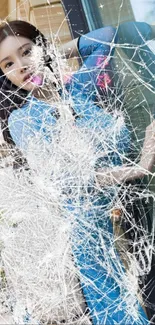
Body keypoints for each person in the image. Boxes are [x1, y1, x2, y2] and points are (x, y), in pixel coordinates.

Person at [0, 20, 154, 324]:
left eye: (27, 51)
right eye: (8, 63)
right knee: (122, 314)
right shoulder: (23, 120)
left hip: (132, 214)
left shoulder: (78, 89)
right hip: (88, 238)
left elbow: (106, 37)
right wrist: (138, 167)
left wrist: (53, 53)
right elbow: (68, 180)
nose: (22, 66)